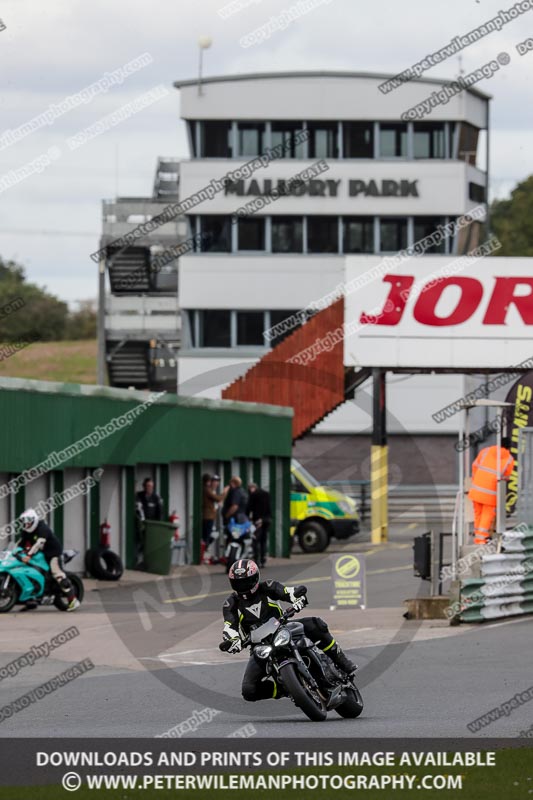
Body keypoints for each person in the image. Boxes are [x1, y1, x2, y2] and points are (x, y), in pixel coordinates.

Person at [222, 559, 357, 702]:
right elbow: (229, 626)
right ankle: (283, 688)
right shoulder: (230, 604)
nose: (242, 586)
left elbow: (287, 592)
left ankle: (341, 661)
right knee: (249, 690)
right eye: (238, 583)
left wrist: (298, 598)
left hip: (283, 629)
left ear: (255, 578)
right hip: (259, 646)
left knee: (316, 625)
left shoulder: (268, 586)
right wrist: (232, 641)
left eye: (246, 581)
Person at [17, 508, 80, 611]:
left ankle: (73, 600)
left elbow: (39, 543)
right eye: (24, 521)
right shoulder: (26, 531)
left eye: (28, 520)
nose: (26, 523)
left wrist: (28, 555)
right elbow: (20, 543)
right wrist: (14, 552)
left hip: (53, 553)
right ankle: (31, 600)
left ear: (34, 519)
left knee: (57, 573)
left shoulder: (42, 528)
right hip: (40, 554)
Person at [468, 437, 515, 545]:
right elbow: (506, 477)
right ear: (509, 447)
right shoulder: (509, 459)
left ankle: (477, 537)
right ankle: (481, 539)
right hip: (491, 494)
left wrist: (476, 480)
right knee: (487, 516)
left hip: (476, 489)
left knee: (478, 514)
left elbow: (475, 465)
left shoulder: (486, 451)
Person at [135, 478, 163, 567]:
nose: (150, 488)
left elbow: (160, 512)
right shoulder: (139, 496)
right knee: (139, 543)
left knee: (150, 545)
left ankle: (149, 562)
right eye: (148, 486)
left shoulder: (156, 497)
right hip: (141, 525)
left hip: (152, 526)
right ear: (144, 486)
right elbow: (137, 509)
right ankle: (138, 561)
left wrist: (158, 526)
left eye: (151, 486)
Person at [202, 473, 228, 560]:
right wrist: (224, 493)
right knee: (208, 535)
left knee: (213, 534)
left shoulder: (209, 490)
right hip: (208, 516)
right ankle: (203, 550)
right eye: (211, 481)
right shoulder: (207, 490)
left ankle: (205, 549)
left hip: (211, 516)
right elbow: (218, 498)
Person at [246, 483, 271, 568]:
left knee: (256, 540)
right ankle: (263, 559)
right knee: (263, 540)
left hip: (257, 521)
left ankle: (257, 560)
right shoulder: (266, 494)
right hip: (266, 520)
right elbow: (269, 508)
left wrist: (248, 518)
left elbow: (248, 508)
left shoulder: (253, 495)